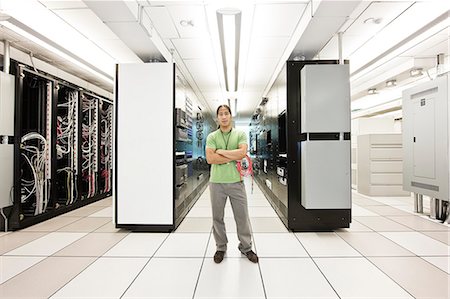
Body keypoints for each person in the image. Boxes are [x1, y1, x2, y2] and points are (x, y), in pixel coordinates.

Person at [205, 104, 258, 264]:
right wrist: (232, 156)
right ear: (217, 117)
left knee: (242, 217)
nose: (223, 116)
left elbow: (242, 153)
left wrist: (220, 152)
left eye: (226, 113)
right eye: (220, 114)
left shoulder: (240, 134)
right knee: (217, 217)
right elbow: (210, 159)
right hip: (217, 183)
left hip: (236, 182)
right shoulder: (212, 137)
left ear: (230, 116)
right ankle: (221, 247)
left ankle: (246, 247)